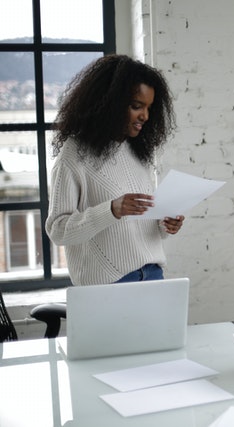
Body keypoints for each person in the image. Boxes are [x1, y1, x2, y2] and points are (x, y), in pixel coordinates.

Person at [45, 54, 184, 286]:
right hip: (108, 280)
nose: (145, 116)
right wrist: (111, 209)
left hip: (153, 274)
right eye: (136, 106)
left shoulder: (136, 152)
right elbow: (58, 230)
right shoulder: (74, 155)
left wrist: (164, 224)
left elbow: (137, 225)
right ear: (109, 103)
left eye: (149, 108)